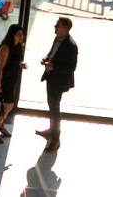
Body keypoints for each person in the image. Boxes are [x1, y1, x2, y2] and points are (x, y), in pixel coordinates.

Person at [37, 17, 78, 149]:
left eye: (58, 26)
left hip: (59, 81)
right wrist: (46, 58)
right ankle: (53, 129)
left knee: (55, 107)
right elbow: (52, 53)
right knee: (52, 105)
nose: (55, 27)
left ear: (65, 30)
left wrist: (53, 66)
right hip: (51, 77)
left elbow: (71, 67)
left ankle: (55, 138)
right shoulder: (58, 38)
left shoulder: (71, 46)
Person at [0, 23, 26, 143]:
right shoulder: (6, 47)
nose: (21, 37)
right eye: (18, 34)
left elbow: (15, 61)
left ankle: (1, 126)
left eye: (22, 34)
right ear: (12, 35)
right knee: (9, 105)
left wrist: (21, 65)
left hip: (13, 78)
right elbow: (1, 68)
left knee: (4, 105)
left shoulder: (18, 46)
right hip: (5, 80)